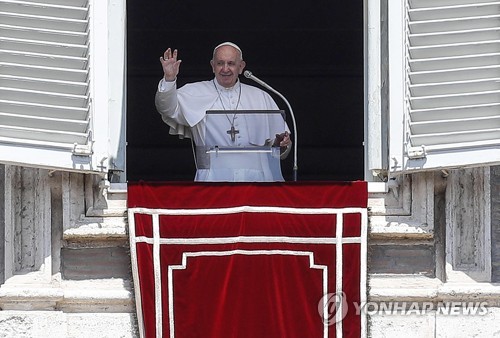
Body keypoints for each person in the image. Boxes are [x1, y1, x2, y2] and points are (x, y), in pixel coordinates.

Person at [155, 42, 292, 182]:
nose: (225, 69)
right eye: (220, 63)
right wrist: (169, 79)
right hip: (212, 180)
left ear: (241, 67)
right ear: (212, 66)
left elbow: (279, 149)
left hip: (257, 181)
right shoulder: (194, 92)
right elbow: (166, 108)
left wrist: (280, 144)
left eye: (231, 63)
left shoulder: (260, 97)